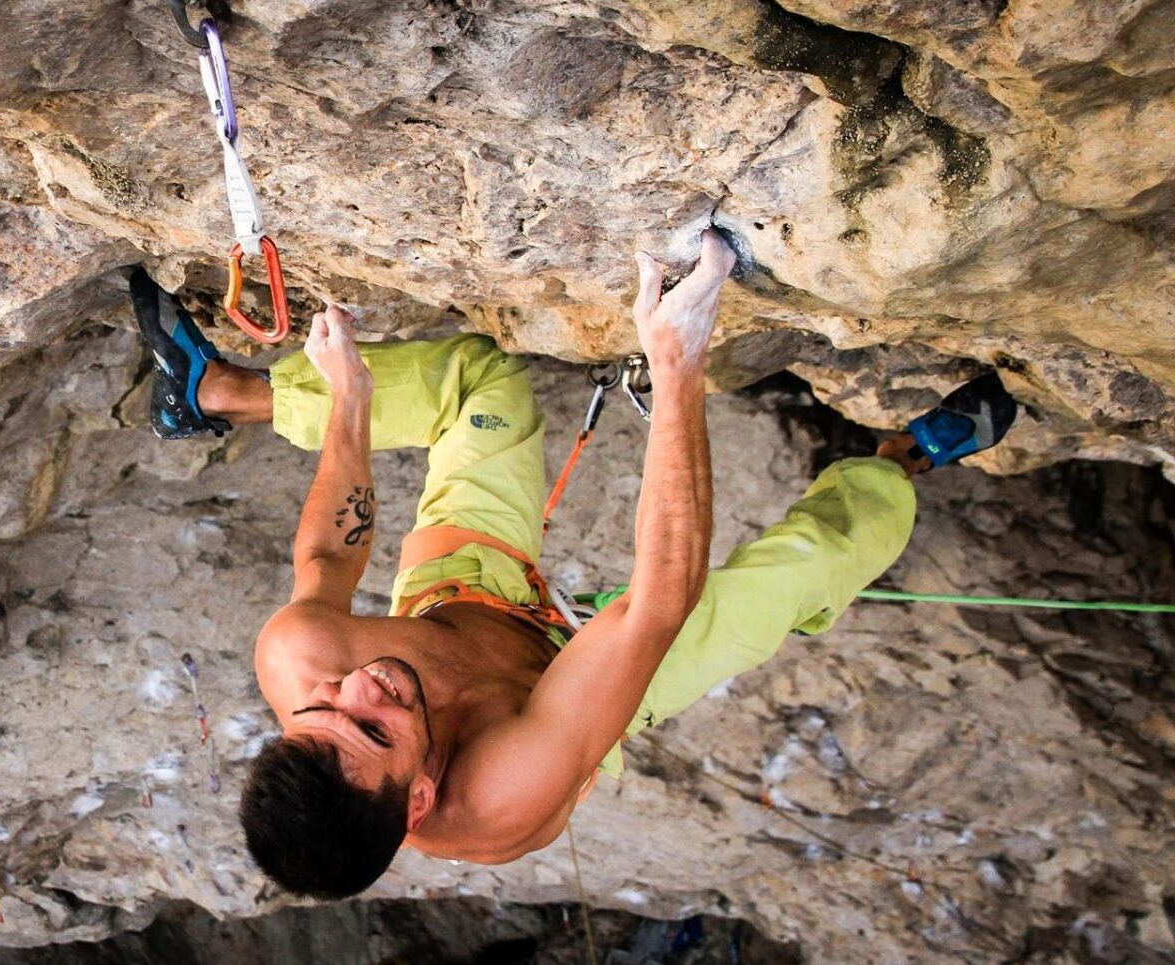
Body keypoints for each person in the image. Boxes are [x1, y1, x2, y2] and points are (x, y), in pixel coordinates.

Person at [129, 230, 1019, 899]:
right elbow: (657, 604)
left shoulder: (303, 665)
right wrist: (678, 365)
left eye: (321, 709)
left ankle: (219, 392)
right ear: (418, 799)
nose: (361, 685)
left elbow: (328, 551)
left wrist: (351, 406)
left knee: (483, 384)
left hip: (460, 596)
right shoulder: (503, 791)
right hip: (573, 682)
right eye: (374, 730)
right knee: (807, 564)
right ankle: (903, 461)